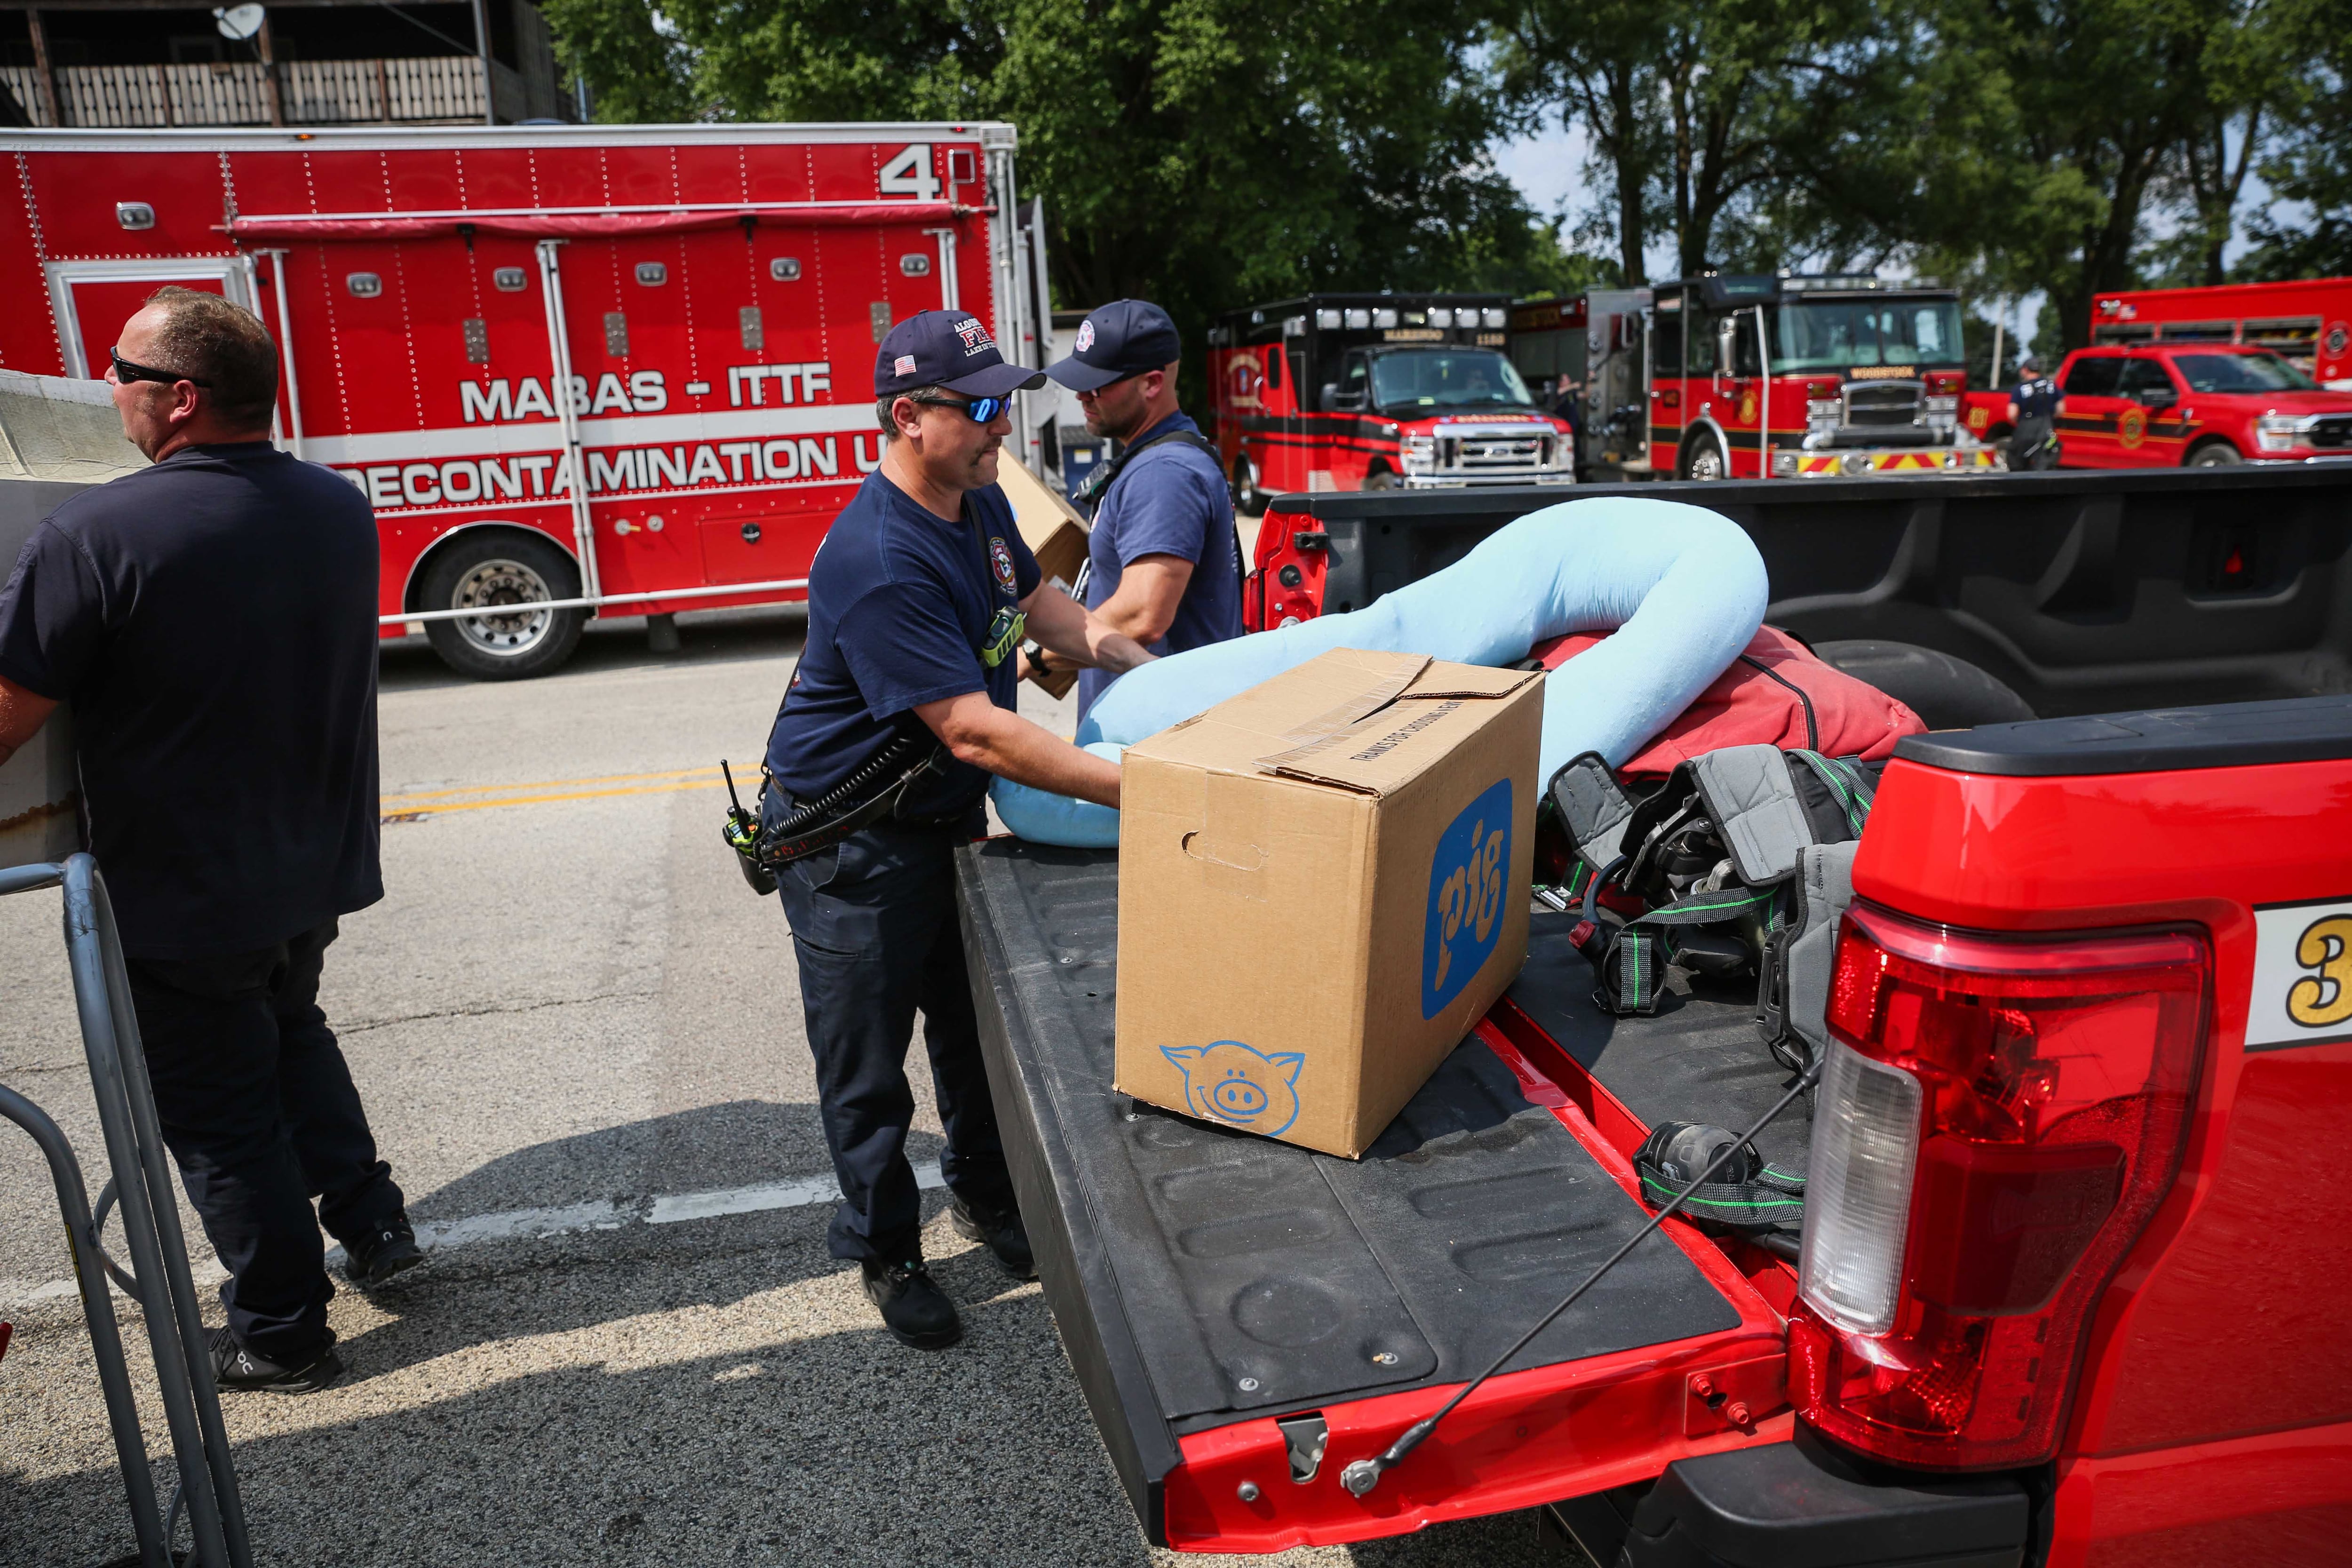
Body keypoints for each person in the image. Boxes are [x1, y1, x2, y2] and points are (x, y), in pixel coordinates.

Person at [0, 287, 413, 1394]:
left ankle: (283, 1333)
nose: (112, 393)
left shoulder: (92, 533)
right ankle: (374, 1222)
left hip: (184, 886)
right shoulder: (337, 505)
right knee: (290, 1032)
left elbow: (8, 715)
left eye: (123, 376)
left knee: (224, 1117)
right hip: (307, 859)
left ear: (179, 399)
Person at [762, 310, 1157, 1350]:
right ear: (908, 416)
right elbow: (978, 731)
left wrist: (1156, 675)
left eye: (1007, 405)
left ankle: (985, 1198)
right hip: (851, 842)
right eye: (979, 408)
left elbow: (1048, 609)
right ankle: (885, 1245)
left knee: (973, 1034)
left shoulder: (975, 505)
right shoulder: (880, 555)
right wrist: (1148, 788)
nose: (1001, 429)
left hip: (940, 820)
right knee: (867, 1059)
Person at [1039, 299, 1243, 721]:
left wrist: (1035, 654)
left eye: (1096, 385)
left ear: (1152, 383)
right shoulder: (1156, 458)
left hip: (1161, 737)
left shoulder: (1163, 473)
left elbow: (1142, 614)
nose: (1081, 395)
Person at [2007, 355, 2064, 470]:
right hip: (2047, 430)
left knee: (2018, 464)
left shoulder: (2020, 388)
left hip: (2025, 431)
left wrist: (2020, 423)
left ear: (2025, 370)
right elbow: (2061, 410)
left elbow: (2012, 414)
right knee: (2044, 465)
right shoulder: (2052, 385)